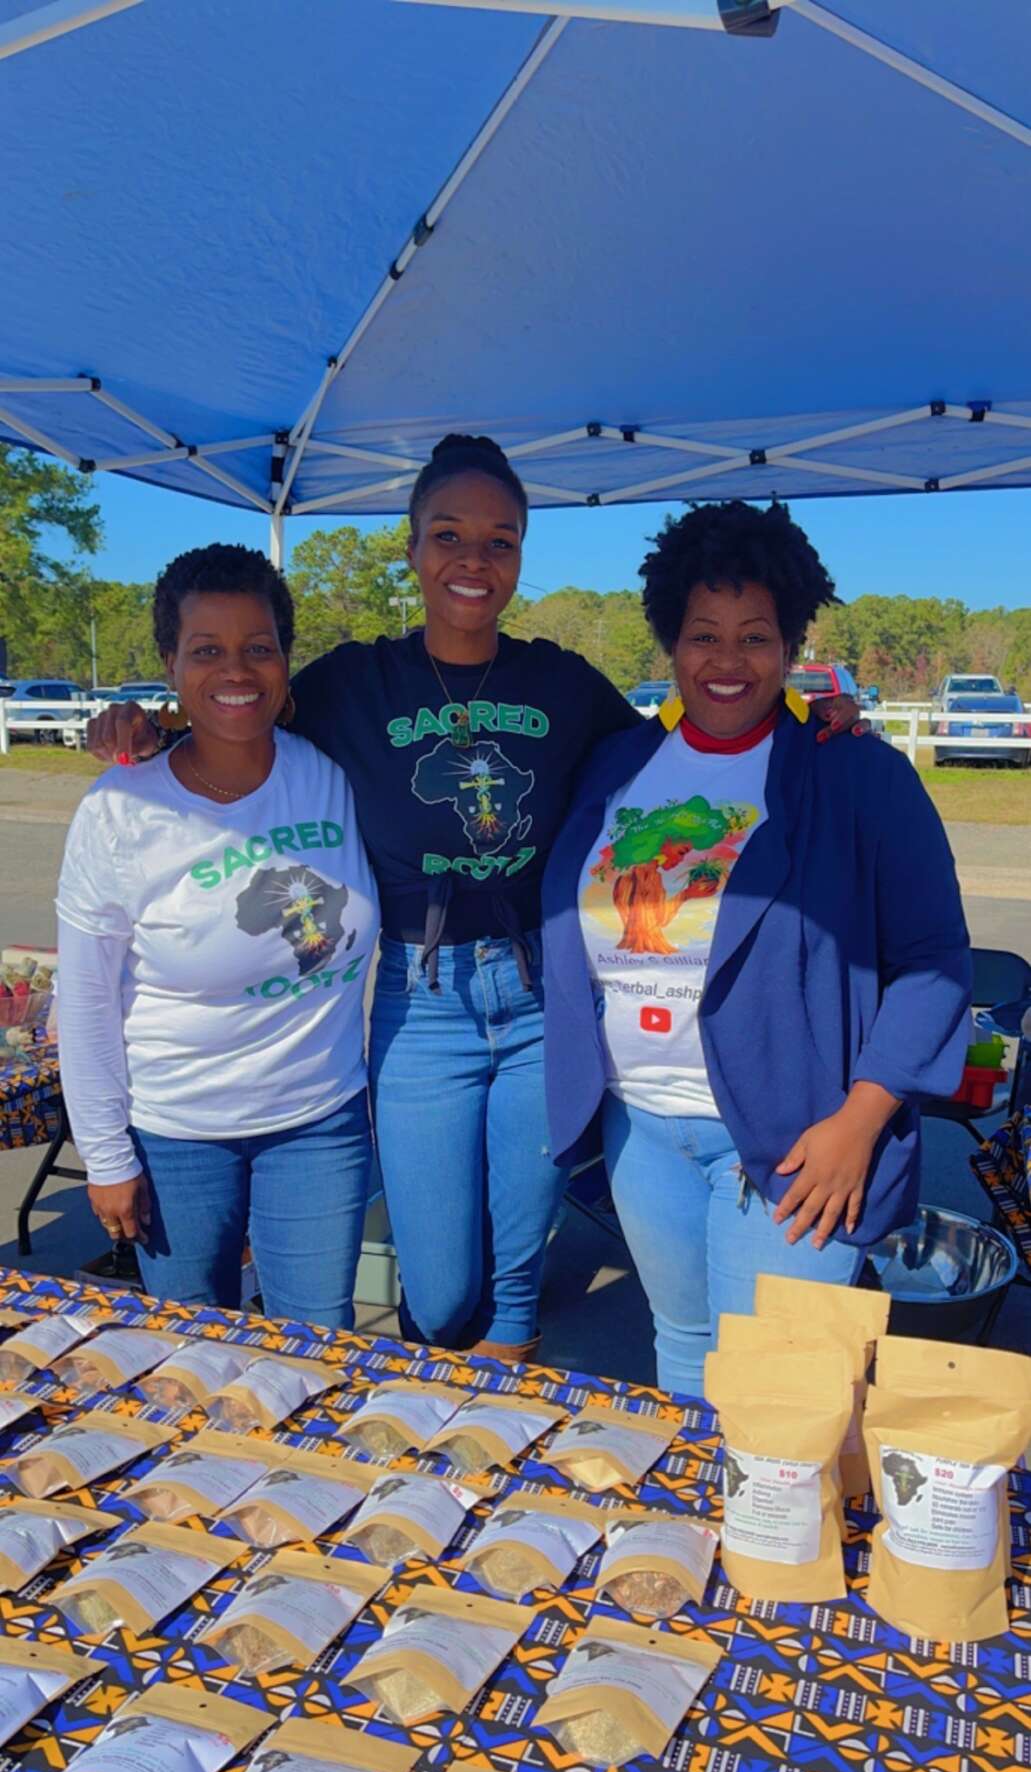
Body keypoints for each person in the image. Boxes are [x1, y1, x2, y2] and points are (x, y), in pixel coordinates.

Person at [86, 443, 862, 1364]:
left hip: (541, 1000)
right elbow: (238, 704)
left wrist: (811, 722)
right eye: (448, 535)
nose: (473, 559)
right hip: (421, 1004)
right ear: (412, 548)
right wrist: (148, 725)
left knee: (511, 1289)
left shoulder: (561, 683)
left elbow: (686, 745)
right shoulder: (351, 683)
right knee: (443, 1292)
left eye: (500, 540)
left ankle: (497, 1428)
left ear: (520, 555)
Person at [541, 501, 971, 1396]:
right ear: (670, 641)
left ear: (790, 644)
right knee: (681, 1353)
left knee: (779, 1391)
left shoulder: (853, 771)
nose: (727, 661)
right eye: (703, 636)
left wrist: (859, 1122)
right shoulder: (616, 764)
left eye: (755, 637)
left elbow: (932, 963)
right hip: (640, 1129)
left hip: (794, 1142)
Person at [57, 544, 378, 1324]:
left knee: (317, 1346)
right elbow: (86, 999)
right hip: (177, 1135)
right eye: (206, 651)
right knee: (193, 1346)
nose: (235, 670)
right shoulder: (121, 807)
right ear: (170, 663)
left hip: (321, 1120)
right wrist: (106, 1157)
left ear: (286, 660)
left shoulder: (333, 773)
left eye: (258, 648)